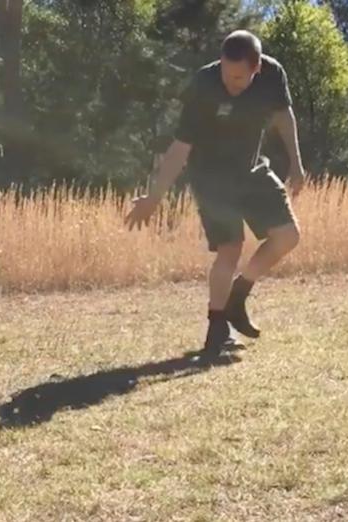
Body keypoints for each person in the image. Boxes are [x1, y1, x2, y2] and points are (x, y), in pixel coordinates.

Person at [124, 29, 306, 354]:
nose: (230, 82)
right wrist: (154, 196)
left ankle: (239, 294)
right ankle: (217, 326)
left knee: (287, 236)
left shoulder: (273, 74)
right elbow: (180, 148)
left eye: (238, 77)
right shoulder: (204, 84)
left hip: (251, 169)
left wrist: (296, 162)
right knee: (230, 247)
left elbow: (283, 116)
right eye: (226, 72)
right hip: (211, 176)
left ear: (257, 68)